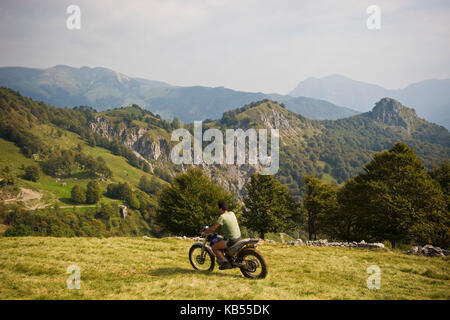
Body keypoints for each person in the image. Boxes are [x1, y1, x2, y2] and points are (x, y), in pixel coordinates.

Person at [201, 200, 241, 270]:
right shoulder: (232, 213)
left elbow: (214, 228)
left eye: (218, 208)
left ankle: (226, 262)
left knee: (214, 247)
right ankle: (227, 257)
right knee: (221, 239)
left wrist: (205, 233)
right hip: (239, 237)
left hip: (231, 240)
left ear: (220, 209)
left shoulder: (222, 217)